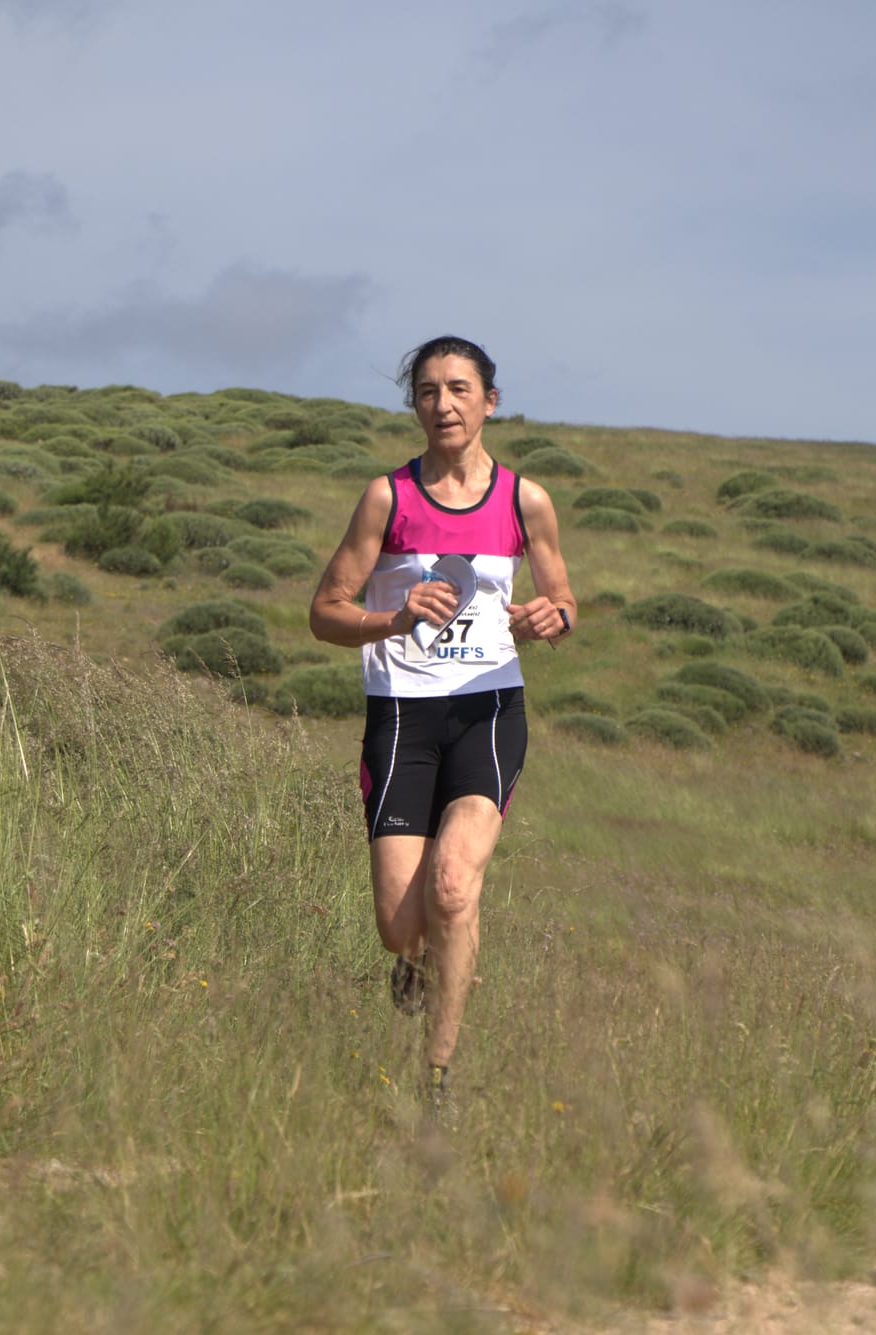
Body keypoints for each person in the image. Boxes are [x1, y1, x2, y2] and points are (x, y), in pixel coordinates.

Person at [309, 335, 575, 1111]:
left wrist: (545, 617)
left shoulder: (525, 501)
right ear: (415, 406)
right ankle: (416, 960)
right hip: (401, 718)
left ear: (489, 401)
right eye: (428, 391)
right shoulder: (387, 498)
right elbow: (324, 613)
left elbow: (563, 602)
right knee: (401, 924)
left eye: (460, 388)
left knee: (454, 887)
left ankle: (438, 1079)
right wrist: (391, 619)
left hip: (489, 712)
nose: (443, 404)